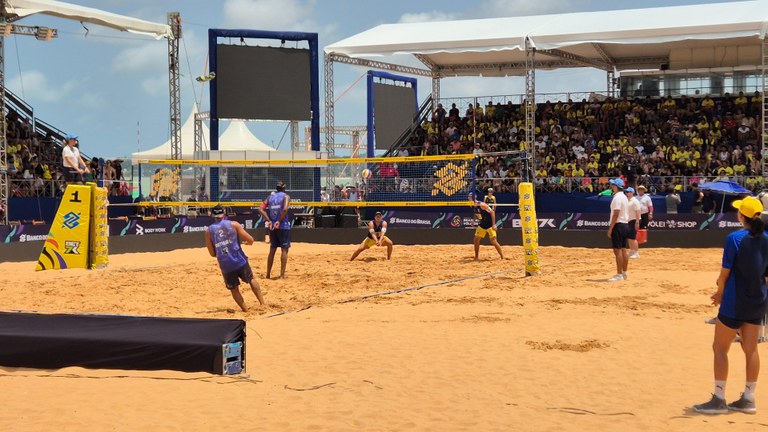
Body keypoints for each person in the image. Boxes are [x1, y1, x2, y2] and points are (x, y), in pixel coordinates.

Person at [693, 196, 768, 415]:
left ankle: (718, 398)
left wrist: (719, 293)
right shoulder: (766, 239)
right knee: (751, 349)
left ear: (741, 215)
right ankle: (749, 398)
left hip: (735, 301)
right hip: (758, 301)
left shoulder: (734, 238)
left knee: (720, 348)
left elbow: (724, 273)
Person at [205, 204, 265, 312]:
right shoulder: (234, 224)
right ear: (224, 214)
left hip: (226, 265)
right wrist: (246, 243)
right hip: (239, 260)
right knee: (251, 279)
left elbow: (212, 254)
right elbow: (251, 240)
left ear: (213, 215)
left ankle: (246, 311)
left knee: (234, 289)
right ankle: (262, 303)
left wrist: (222, 249)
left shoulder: (209, 231)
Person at [258, 181, 291, 279]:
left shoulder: (270, 197)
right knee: (284, 250)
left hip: (272, 226)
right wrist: (279, 221)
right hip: (283, 226)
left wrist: (269, 220)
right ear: (284, 188)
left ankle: (268, 274)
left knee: (272, 250)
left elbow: (260, 209)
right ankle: (282, 275)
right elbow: (285, 209)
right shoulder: (286, 196)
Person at [606, 178, 630, 281]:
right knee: (623, 250)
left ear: (616, 187)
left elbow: (616, 214)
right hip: (625, 224)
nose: (611, 187)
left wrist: (611, 228)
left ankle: (619, 274)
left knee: (618, 251)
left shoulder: (617, 198)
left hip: (618, 225)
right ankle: (624, 273)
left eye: (613, 185)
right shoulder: (624, 197)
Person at [471, 192, 504, 260]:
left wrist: (494, 224)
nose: (468, 198)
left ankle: (502, 257)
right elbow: (476, 213)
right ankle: (476, 256)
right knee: (476, 239)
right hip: (482, 224)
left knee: (493, 241)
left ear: (474, 198)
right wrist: (473, 221)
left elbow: (492, 212)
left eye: (469, 197)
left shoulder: (482, 205)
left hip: (489, 224)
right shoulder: (472, 205)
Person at [625, 187, 642, 259]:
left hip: (634, 220)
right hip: (629, 220)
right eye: (626, 192)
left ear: (632, 193)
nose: (627, 193)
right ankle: (632, 251)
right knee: (629, 237)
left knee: (633, 237)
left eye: (628, 192)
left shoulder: (635, 201)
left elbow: (638, 211)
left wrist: (637, 222)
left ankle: (636, 252)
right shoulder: (627, 200)